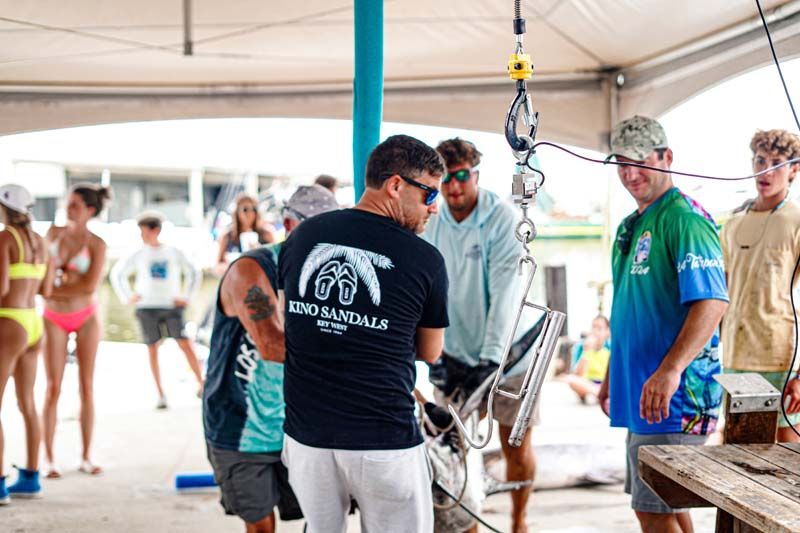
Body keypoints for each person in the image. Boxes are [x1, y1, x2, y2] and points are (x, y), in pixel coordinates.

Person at [278, 134, 448, 533]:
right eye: (428, 194)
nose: (434, 207)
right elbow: (430, 350)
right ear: (395, 185)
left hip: (306, 437)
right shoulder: (424, 258)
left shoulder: (301, 237)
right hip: (381, 439)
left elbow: (293, 322)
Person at [599, 116, 729, 533]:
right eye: (621, 162)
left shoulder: (684, 219)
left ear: (666, 158)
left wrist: (671, 369)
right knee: (664, 504)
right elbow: (630, 309)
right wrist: (610, 373)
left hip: (676, 394)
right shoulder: (631, 225)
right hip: (641, 390)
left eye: (640, 161)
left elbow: (712, 301)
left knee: (652, 510)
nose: (630, 172)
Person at [203, 184, 337, 533]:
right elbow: (272, 346)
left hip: (299, 424)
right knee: (262, 525)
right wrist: (355, 357)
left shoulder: (331, 275)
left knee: (322, 516)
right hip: (240, 425)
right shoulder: (251, 269)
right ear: (291, 226)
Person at [422, 137, 537, 533]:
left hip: (511, 354)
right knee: (454, 448)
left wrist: (490, 362)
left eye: (461, 177)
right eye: (446, 179)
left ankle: (519, 521)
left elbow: (505, 294)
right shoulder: (430, 218)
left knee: (515, 444)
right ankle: (468, 525)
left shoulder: (502, 218)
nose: (454, 187)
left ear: (475, 174)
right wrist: (435, 355)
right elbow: (425, 291)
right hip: (454, 354)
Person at [720, 129, 800, 442]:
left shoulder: (795, 219)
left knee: (788, 457)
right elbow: (721, 293)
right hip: (736, 355)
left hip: (781, 355)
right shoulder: (733, 222)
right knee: (741, 451)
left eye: (777, 163)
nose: (766, 170)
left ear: (794, 169)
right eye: (760, 160)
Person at [42, 183, 112, 478]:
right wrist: (58, 285)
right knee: (53, 386)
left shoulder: (97, 244)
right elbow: (42, 281)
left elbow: (89, 285)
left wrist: (58, 285)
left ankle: (86, 455)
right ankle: (49, 457)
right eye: (67, 203)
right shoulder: (53, 234)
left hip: (86, 316)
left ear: (90, 210)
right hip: (53, 316)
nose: (68, 209)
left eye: (74, 205)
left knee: (86, 385)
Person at [110, 212, 204, 409]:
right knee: (152, 348)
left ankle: (202, 384)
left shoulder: (173, 251)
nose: (142, 236)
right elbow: (118, 274)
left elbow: (194, 271)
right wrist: (128, 296)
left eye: (144, 231)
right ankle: (160, 393)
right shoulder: (138, 253)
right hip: (146, 307)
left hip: (171, 306)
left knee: (185, 343)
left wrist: (186, 296)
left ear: (156, 230)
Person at [0, 185, 54, 503]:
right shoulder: (40, 241)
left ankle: (0, 485)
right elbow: (46, 288)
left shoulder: (6, 238)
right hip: (34, 323)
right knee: (28, 404)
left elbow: (2, 286)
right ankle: (31, 479)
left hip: (8, 320)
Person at [216, 194, 275, 275]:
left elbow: (275, 261)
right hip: (236, 280)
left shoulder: (266, 234)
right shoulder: (227, 236)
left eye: (253, 209)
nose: (250, 213)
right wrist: (230, 266)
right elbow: (217, 266)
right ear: (237, 212)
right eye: (245, 209)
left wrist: (260, 251)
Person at [565, 316, 611, 404]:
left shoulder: (610, 347)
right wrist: (586, 352)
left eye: (599, 328)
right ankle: (600, 395)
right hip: (588, 384)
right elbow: (577, 374)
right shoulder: (581, 347)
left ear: (607, 332)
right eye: (593, 327)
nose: (595, 331)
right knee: (571, 379)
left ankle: (598, 395)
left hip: (605, 384)